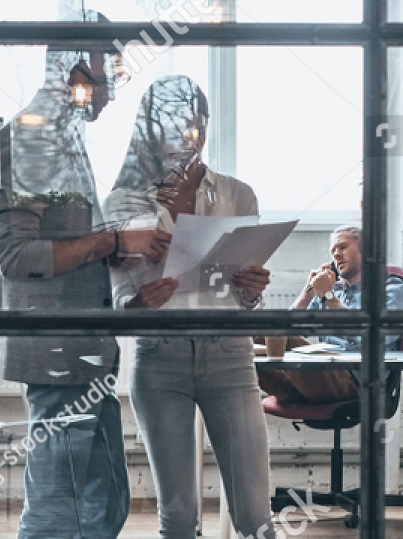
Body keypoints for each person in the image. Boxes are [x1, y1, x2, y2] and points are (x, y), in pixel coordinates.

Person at [0, 10, 167, 538]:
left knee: (103, 501)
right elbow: (15, 256)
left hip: (80, 350)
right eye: (108, 78)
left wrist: (113, 251)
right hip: (56, 353)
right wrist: (111, 241)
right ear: (76, 76)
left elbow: (60, 241)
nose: (110, 95)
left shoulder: (61, 139)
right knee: (61, 508)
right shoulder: (32, 139)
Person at [103, 75, 276, 539]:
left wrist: (253, 289)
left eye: (196, 128)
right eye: (174, 129)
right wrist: (139, 303)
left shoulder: (239, 195)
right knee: (178, 519)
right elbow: (115, 299)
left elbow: (244, 295)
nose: (188, 140)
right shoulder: (123, 201)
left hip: (230, 356)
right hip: (160, 357)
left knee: (256, 516)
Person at [257, 225, 403, 404]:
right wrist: (307, 294)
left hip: (358, 381)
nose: (336, 254)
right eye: (333, 251)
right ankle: (292, 394)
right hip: (324, 372)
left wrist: (329, 298)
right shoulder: (333, 290)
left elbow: (381, 336)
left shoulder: (391, 286)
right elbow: (292, 328)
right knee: (259, 334)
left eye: (343, 247)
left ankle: (296, 393)